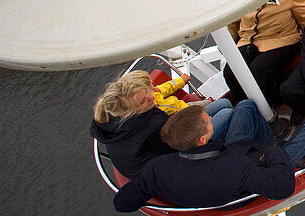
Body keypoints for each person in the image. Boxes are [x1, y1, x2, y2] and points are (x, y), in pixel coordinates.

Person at [114, 101, 305, 212]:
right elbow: (282, 186)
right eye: (209, 122)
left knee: (245, 107)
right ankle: (275, 141)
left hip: (227, 154)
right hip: (259, 169)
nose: (211, 121)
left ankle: (268, 138)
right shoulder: (236, 169)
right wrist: (272, 152)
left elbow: (122, 203)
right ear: (202, 139)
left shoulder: (157, 169)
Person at [91, 70, 231, 179]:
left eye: (147, 92)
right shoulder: (149, 134)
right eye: (143, 101)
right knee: (227, 114)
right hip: (177, 162)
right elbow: (183, 145)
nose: (152, 98)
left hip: (172, 137)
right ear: (129, 113)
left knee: (223, 104)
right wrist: (206, 124)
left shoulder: (123, 115)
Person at [224, 0, 305, 106]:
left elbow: (304, 16)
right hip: (248, 39)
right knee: (230, 72)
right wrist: (227, 45)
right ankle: (244, 104)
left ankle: (271, 104)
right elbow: (232, 20)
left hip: (283, 39)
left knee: (259, 69)